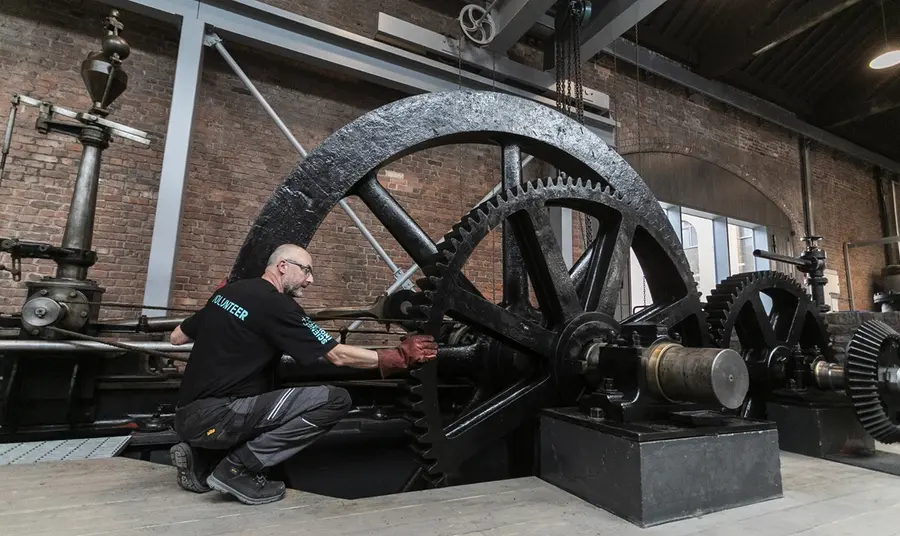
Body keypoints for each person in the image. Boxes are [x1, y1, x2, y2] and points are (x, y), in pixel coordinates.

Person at [167, 244, 438, 505]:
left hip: (186, 417)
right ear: (282, 266)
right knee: (335, 400)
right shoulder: (278, 305)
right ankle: (238, 468)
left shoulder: (228, 293)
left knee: (257, 397)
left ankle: (200, 457)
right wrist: (394, 357)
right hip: (222, 415)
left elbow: (177, 337)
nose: (310, 279)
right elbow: (337, 355)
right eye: (306, 270)